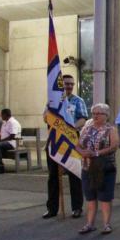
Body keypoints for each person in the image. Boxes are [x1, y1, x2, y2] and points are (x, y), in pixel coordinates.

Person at [43, 74, 88, 219]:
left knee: (75, 175)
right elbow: (45, 117)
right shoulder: (53, 101)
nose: (68, 86)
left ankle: (77, 208)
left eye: (71, 84)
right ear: (61, 85)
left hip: (71, 144)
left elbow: (82, 119)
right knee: (53, 177)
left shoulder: (78, 101)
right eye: (66, 84)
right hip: (55, 143)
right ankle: (52, 209)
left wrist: (71, 128)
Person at [76, 103, 120, 234]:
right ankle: (90, 224)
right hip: (87, 167)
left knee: (105, 197)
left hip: (105, 167)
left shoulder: (111, 129)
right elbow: (78, 144)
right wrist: (81, 152)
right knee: (90, 196)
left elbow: (114, 146)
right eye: (93, 113)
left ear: (106, 115)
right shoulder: (86, 128)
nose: (95, 116)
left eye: (98, 113)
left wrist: (96, 153)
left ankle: (106, 224)